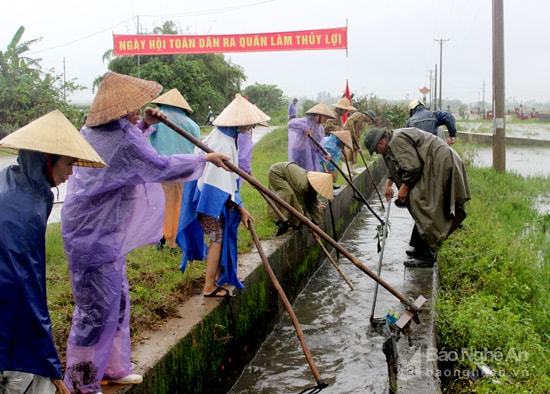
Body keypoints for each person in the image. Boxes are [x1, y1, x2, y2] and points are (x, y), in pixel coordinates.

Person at [61, 72, 229, 394]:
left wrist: (146, 125)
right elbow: (159, 165)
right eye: (136, 107)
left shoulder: (107, 131)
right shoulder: (118, 138)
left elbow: (131, 150)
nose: (141, 109)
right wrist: (204, 158)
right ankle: (82, 384)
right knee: (95, 312)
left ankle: (112, 367)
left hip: (105, 234)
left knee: (117, 302)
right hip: (91, 236)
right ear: (121, 111)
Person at [0, 109, 106, 394]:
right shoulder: (25, 210)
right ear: (47, 160)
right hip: (9, 321)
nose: (72, 172)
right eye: (69, 163)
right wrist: (48, 361)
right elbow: (27, 288)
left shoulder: (15, 182)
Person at [177, 93, 270, 298]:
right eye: (248, 125)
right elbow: (221, 185)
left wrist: (240, 206)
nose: (249, 129)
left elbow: (227, 183)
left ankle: (217, 277)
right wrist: (240, 206)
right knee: (217, 238)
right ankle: (209, 286)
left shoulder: (222, 136)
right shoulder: (226, 144)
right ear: (239, 124)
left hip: (208, 196)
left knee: (217, 237)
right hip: (208, 200)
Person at [364, 127, 470, 267]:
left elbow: (413, 167)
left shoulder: (396, 141)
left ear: (381, 142)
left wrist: (405, 187)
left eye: (376, 150)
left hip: (440, 163)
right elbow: (398, 165)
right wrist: (388, 185)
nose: (377, 153)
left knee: (422, 202)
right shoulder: (392, 141)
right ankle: (419, 247)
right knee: (418, 201)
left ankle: (427, 255)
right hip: (434, 162)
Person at [149, 88, 201, 253]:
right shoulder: (191, 125)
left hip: (161, 169)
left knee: (161, 204)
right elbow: (197, 148)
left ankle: (162, 237)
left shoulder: (157, 120)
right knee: (179, 204)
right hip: (184, 171)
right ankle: (175, 240)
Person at [267, 161, 333, 235]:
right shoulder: (302, 185)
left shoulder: (311, 188)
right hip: (277, 173)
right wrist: (309, 224)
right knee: (289, 194)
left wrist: (316, 224)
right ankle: (282, 219)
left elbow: (312, 202)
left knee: (307, 209)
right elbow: (301, 205)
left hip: (289, 174)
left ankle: (293, 220)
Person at [287, 102, 335, 172]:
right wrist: (304, 128)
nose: (325, 120)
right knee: (298, 175)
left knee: (310, 176)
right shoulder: (306, 121)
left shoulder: (321, 128)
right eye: (324, 117)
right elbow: (290, 124)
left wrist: (325, 153)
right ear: (318, 115)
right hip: (300, 152)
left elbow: (319, 145)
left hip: (311, 156)